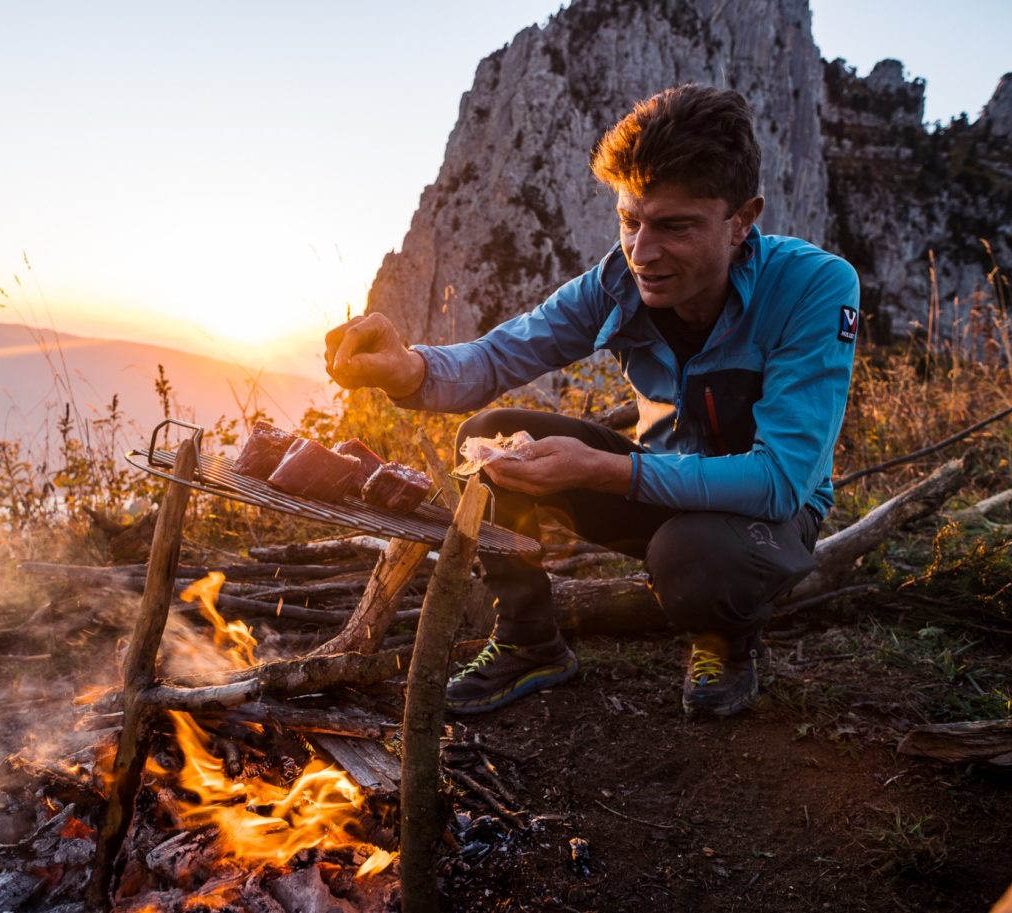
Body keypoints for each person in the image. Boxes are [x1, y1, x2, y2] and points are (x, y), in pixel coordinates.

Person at [324, 84, 859, 718]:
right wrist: (406, 368)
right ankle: (529, 644)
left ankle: (726, 638)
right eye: (631, 221)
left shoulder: (814, 286)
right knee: (487, 434)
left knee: (692, 558)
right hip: (655, 490)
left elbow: (777, 481)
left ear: (742, 220)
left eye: (674, 227)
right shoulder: (615, 283)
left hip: (768, 520)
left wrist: (600, 467)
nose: (643, 252)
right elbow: (497, 357)